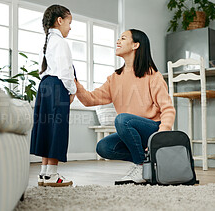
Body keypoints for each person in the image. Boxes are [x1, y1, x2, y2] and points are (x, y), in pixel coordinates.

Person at [75, 29, 176, 185]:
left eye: (123, 38)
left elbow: (167, 108)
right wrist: (74, 82)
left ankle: (141, 166)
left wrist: (161, 135)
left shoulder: (152, 75)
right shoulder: (115, 78)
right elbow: (89, 100)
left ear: (135, 45)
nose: (118, 42)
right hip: (130, 129)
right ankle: (149, 164)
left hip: (152, 129)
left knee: (122, 119)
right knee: (104, 147)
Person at [30, 4, 76, 187]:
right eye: (69, 22)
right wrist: (72, 90)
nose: (70, 27)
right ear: (59, 21)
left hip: (45, 86)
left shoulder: (49, 42)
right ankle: (53, 174)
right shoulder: (61, 43)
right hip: (57, 86)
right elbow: (65, 71)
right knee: (57, 128)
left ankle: (44, 173)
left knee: (46, 127)